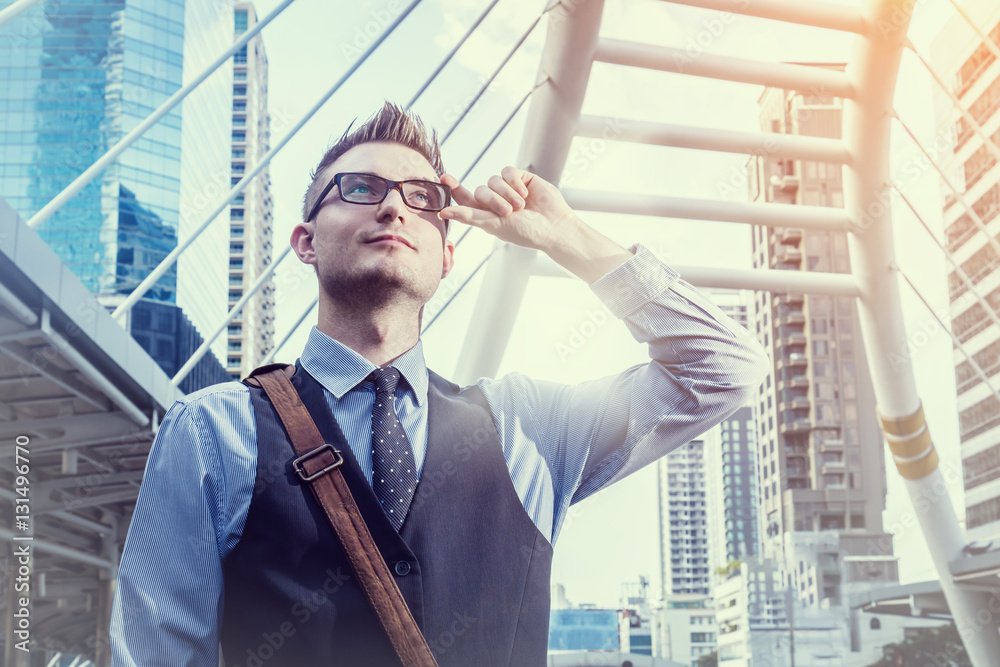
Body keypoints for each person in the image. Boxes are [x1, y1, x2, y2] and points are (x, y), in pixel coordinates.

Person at [110, 101, 769, 666]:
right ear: (305, 241)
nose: (395, 205)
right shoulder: (213, 431)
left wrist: (567, 236)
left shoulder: (529, 426)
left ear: (448, 253)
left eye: (424, 197)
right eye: (360, 189)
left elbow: (724, 369)